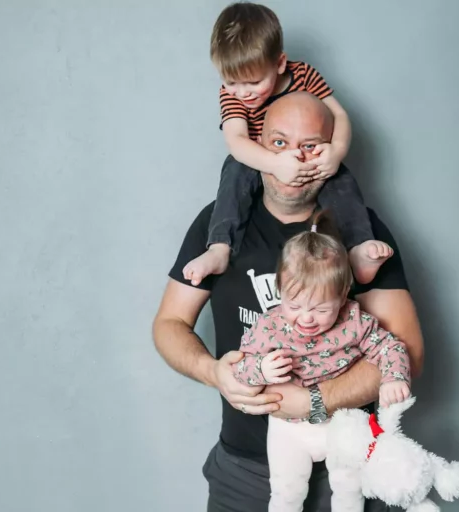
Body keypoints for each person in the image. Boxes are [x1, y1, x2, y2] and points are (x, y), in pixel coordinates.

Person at [153, 91, 425, 512]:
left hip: (349, 464)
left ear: (333, 151)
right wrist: (213, 372)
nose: (293, 161)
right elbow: (169, 323)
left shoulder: (361, 233)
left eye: (310, 146)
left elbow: (408, 351)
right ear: (257, 145)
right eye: (279, 143)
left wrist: (317, 400)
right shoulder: (218, 226)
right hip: (244, 472)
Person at [182, 2, 394, 288]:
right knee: (234, 170)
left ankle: (357, 248)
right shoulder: (231, 95)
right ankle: (220, 247)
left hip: (307, 156)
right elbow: (236, 140)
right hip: (261, 157)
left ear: (280, 64)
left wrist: (336, 151)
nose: (242, 93)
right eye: (231, 81)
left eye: (254, 82)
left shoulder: (303, 75)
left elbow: (340, 115)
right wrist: (275, 163)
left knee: (340, 180)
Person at [233, 211, 411, 511]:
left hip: (342, 422)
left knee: (349, 488)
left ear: (342, 296)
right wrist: (261, 369)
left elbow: (389, 346)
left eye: (320, 309)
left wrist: (394, 377)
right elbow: (240, 368)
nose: (306, 318)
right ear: (280, 291)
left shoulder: (353, 320)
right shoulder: (269, 326)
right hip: (288, 427)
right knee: (286, 492)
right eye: (294, 306)